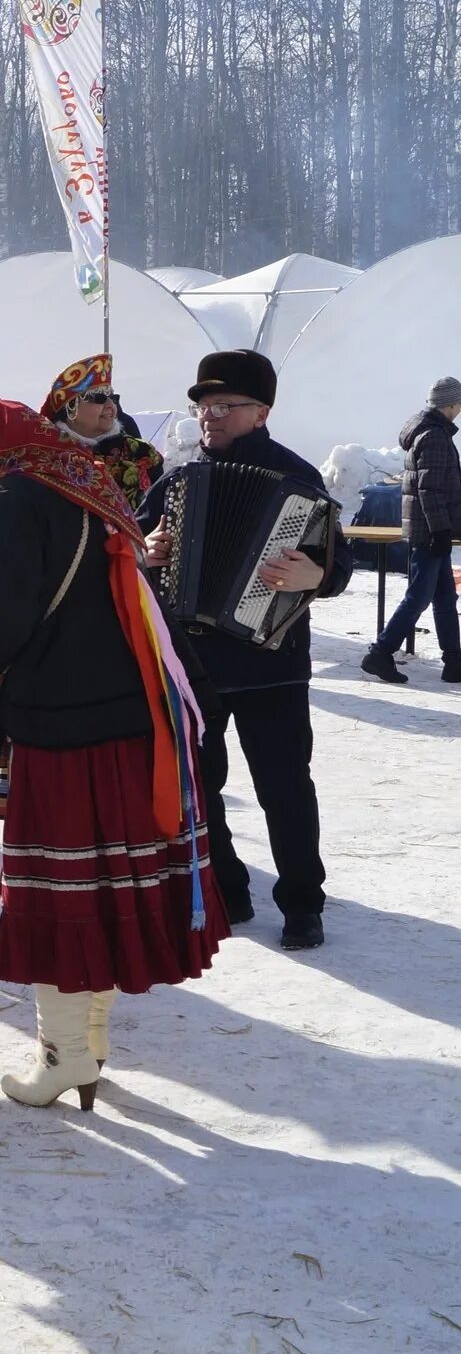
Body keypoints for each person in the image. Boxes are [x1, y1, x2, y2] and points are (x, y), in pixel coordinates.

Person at [0, 399, 228, 1107]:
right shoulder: (85, 479)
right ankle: (89, 1046)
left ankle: (62, 1056)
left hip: (60, 728)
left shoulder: (16, 494)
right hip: (132, 718)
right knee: (98, 894)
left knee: (58, 900)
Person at [138, 349, 353, 952]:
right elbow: (132, 546)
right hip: (195, 664)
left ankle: (303, 902)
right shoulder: (178, 480)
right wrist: (146, 550)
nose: (209, 415)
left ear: (261, 412)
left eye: (224, 405)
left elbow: (339, 566)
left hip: (272, 664)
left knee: (284, 785)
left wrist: (313, 573)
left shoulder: (296, 478)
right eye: (204, 405)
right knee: (203, 785)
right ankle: (229, 886)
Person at [361, 376, 461, 684]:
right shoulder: (434, 437)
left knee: (444, 596)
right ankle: (380, 652)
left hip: (430, 530)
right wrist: (441, 530)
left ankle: (454, 662)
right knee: (418, 596)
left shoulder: (431, 433)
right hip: (431, 532)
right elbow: (429, 490)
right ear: (452, 404)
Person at [41, 354, 163, 507]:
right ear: (71, 409)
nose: (110, 405)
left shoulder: (142, 453)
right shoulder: (46, 457)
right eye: (99, 398)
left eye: (112, 397)